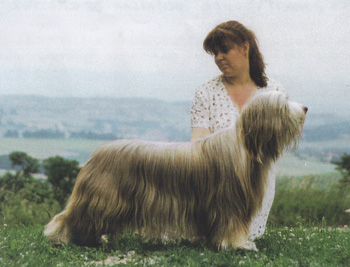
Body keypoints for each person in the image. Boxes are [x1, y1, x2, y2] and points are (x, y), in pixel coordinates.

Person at [190, 20, 285, 241]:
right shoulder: (206, 92)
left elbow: (272, 148)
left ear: (245, 48)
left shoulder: (273, 91)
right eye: (215, 53)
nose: (218, 58)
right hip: (213, 188)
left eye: (224, 50)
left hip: (254, 188)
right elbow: (197, 144)